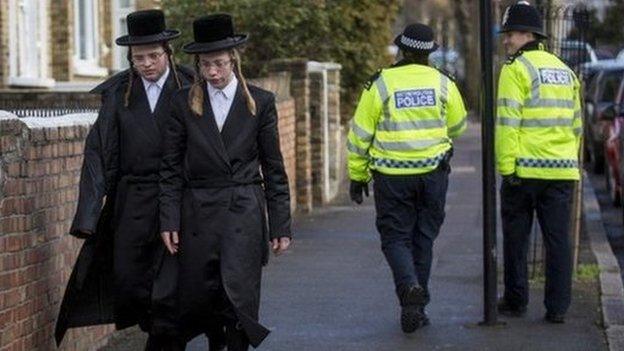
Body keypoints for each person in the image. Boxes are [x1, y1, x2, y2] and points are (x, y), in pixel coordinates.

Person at [55, 9, 227, 351]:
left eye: (153, 56)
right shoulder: (119, 93)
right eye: (138, 58)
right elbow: (98, 151)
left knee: (173, 286)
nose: (146, 64)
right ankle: (161, 332)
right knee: (133, 285)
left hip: (179, 202)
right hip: (130, 202)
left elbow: (213, 144)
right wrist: (88, 215)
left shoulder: (192, 86)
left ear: (167, 52)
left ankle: (170, 338)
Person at [159, 13, 292, 351]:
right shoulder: (182, 103)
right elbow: (171, 167)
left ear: (233, 59)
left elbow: (273, 167)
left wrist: (280, 225)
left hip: (243, 211)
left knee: (240, 297)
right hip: (197, 213)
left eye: (219, 63)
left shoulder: (261, 102)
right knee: (205, 297)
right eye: (205, 65)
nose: (213, 72)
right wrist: (169, 219)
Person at [346, 23, 467, 333]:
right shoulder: (444, 83)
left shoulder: (381, 84)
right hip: (433, 175)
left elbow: (360, 134)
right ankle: (418, 304)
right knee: (423, 239)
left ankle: (409, 288)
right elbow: (459, 125)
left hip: (392, 177)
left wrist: (357, 176)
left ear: (401, 49)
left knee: (395, 238)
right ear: (429, 53)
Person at [495, 2, 582, 324]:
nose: (506, 41)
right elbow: (576, 125)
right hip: (561, 170)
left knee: (517, 240)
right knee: (558, 242)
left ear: (528, 34)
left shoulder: (516, 69)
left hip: (524, 170)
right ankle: (557, 308)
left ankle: (516, 300)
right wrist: (569, 160)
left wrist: (506, 168)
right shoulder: (565, 70)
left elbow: (507, 122)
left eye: (511, 34)